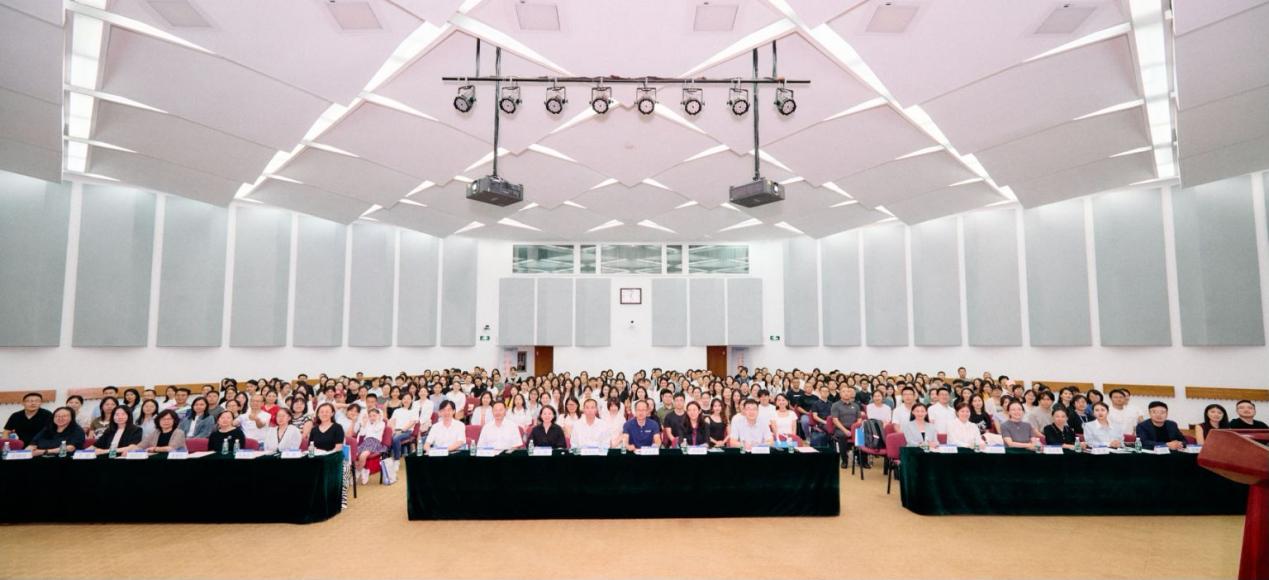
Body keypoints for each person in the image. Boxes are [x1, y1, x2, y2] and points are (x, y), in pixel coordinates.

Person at [354, 408, 389, 484]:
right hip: (366, 442)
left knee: (363, 455)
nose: (372, 417)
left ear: (379, 415)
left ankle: (358, 471)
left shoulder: (381, 423)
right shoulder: (367, 423)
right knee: (354, 455)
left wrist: (376, 420)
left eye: (374, 415)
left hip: (375, 442)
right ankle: (363, 470)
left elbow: (376, 429)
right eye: (370, 416)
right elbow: (362, 434)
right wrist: (364, 424)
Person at [830, 386, 862, 467]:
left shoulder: (856, 405)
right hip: (841, 428)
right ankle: (844, 460)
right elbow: (835, 420)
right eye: (843, 391)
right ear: (840, 394)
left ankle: (862, 460)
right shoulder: (835, 405)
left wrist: (855, 428)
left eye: (848, 391)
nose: (846, 393)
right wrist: (845, 430)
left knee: (861, 435)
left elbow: (859, 419)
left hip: (854, 428)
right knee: (842, 436)